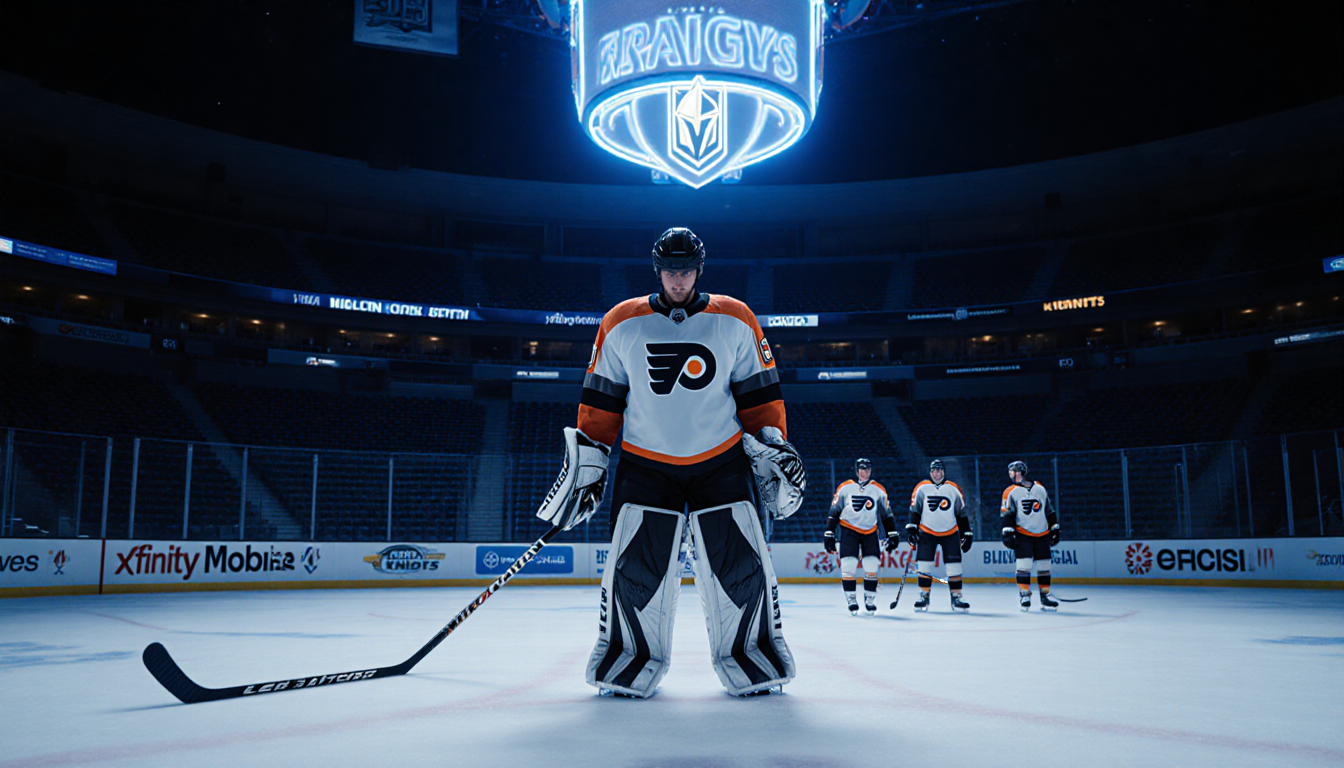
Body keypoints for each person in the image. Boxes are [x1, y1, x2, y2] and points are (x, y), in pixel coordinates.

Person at [537, 227, 805, 698]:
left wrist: (772, 446)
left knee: (739, 562)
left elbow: (760, 398)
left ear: (699, 270)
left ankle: (750, 653)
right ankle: (629, 656)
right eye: (669, 271)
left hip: (721, 462)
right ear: (657, 270)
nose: (677, 280)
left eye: (685, 271)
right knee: (636, 567)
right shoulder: (621, 322)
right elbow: (600, 405)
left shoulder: (737, 318)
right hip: (645, 465)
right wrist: (590, 464)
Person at [824, 458, 898, 615]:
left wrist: (892, 534)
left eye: (867, 469)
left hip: (870, 532)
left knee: (871, 566)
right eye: (862, 469)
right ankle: (851, 599)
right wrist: (829, 533)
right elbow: (834, 512)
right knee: (848, 566)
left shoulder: (878, 489)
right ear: (857, 470)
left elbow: (886, 514)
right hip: (848, 531)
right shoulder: (845, 488)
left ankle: (870, 599)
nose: (865, 472)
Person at [907, 459, 972, 612]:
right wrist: (912, 529)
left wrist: (967, 533)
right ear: (930, 472)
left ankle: (956, 597)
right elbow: (915, 510)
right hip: (927, 532)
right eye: (934, 470)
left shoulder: (953, 488)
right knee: (924, 565)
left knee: (954, 567)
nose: (937, 473)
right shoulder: (922, 488)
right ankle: (924, 596)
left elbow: (961, 514)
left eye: (940, 470)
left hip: (950, 532)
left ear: (944, 472)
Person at [1000, 460, 1060, 611]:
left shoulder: (1040, 489)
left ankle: (1045, 596)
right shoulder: (1010, 491)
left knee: (1044, 566)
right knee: (1024, 565)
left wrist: (1054, 528)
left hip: (1042, 533)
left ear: (1019, 472)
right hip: (1023, 533)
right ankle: (1024, 594)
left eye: (1012, 471)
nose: (1011, 475)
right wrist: (1008, 531)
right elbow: (1006, 514)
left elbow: (1049, 511)